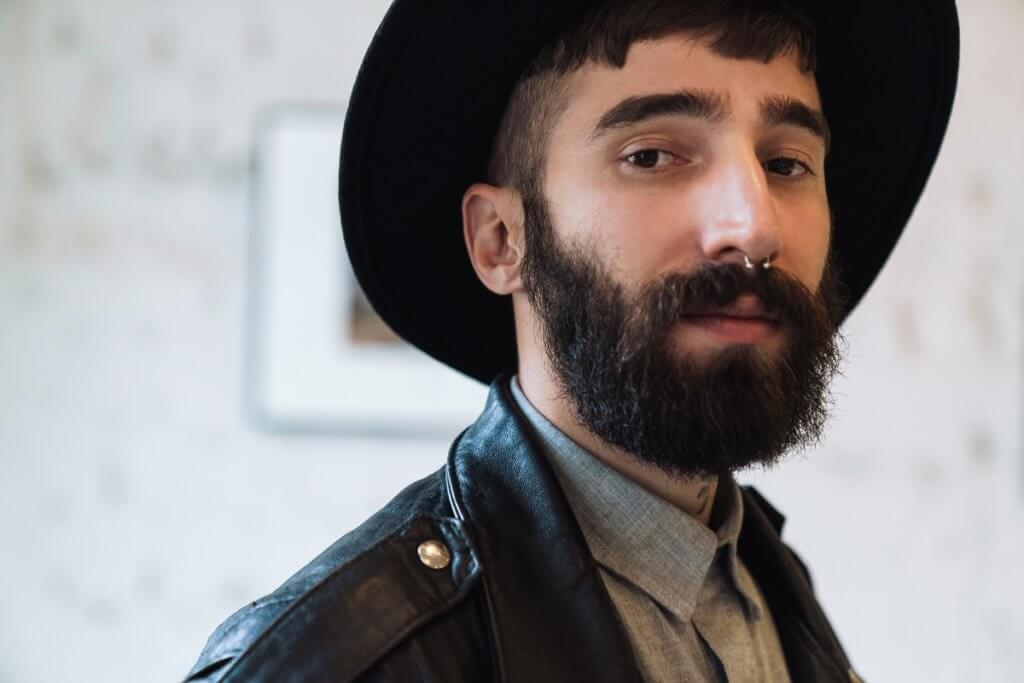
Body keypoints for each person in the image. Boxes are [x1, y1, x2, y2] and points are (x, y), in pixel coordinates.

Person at [184, 0, 959, 681]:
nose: (753, 225)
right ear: (499, 239)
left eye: (787, 162)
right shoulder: (335, 662)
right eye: (651, 155)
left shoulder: (772, 585)